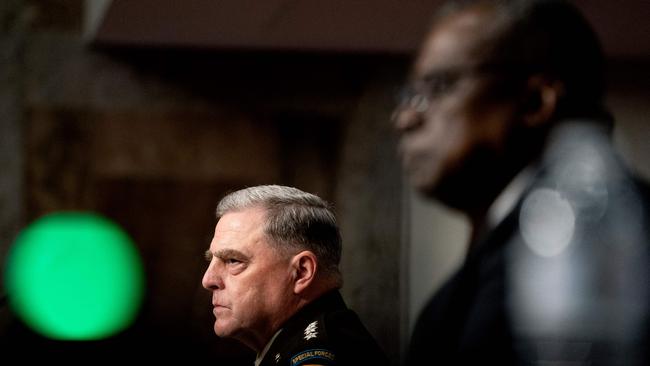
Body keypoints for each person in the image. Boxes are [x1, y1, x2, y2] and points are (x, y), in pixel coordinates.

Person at [392, 0, 650, 364]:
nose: (405, 119)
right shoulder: (459, 293)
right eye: (408, 95)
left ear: (534, 101)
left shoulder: (623, 243)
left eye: (437, 86)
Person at [201, 185, 390, 366]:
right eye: (212, 261)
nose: (208, 280)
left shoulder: (316, 355)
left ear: (301, 272)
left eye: (233, 261)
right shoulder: (295, 344)